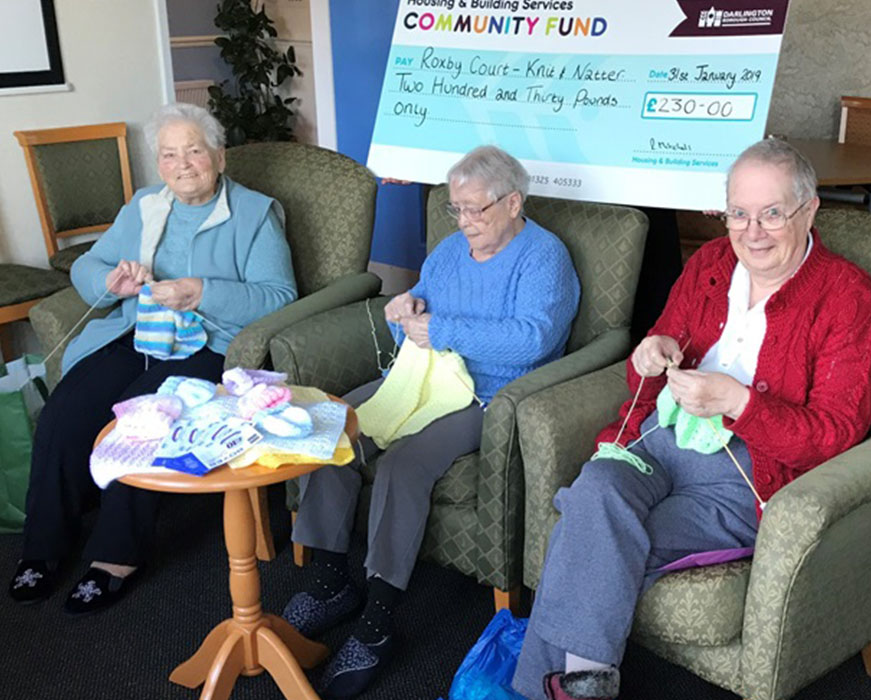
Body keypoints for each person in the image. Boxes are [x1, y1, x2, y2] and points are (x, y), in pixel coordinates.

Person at [511, 138, 871, 700]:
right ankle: (576, 688)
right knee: (596, 496)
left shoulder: (847, 297)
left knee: (587, 536)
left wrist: (739, 403)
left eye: (772, 213)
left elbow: (835, 436)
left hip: (746, 475)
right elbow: (660, 346)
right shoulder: (711, 263)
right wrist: (651, 354)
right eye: (738, 213)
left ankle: (553, 690)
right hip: (662, 439)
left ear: (809, 210)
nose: (751, 231)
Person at [282, 145, 581, 698]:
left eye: (476, 209)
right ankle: (329, 583)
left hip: (489, 394)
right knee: (332, 424)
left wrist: (442, 329)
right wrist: (404, 312)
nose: (465, 221)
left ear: (513, 202)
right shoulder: (448, 252)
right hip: (425, 378)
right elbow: (419, 309)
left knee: (405, 464)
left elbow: (534, 340)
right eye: (456, 209)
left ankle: (376, 620)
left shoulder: (544, 257)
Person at [7, 103, 297, 615]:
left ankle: (116, 557)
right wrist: (107, 283)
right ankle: (44, 546)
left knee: (139, 419)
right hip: (140, 334)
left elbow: (278, 296)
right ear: (158, 164)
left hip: (211, 344)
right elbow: (91, 264)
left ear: (219, 156)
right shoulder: (145, 206)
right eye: (169, 154)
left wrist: (201, 292)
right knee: (63, 414)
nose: (183, 164)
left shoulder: (256, 213)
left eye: (194, 151)